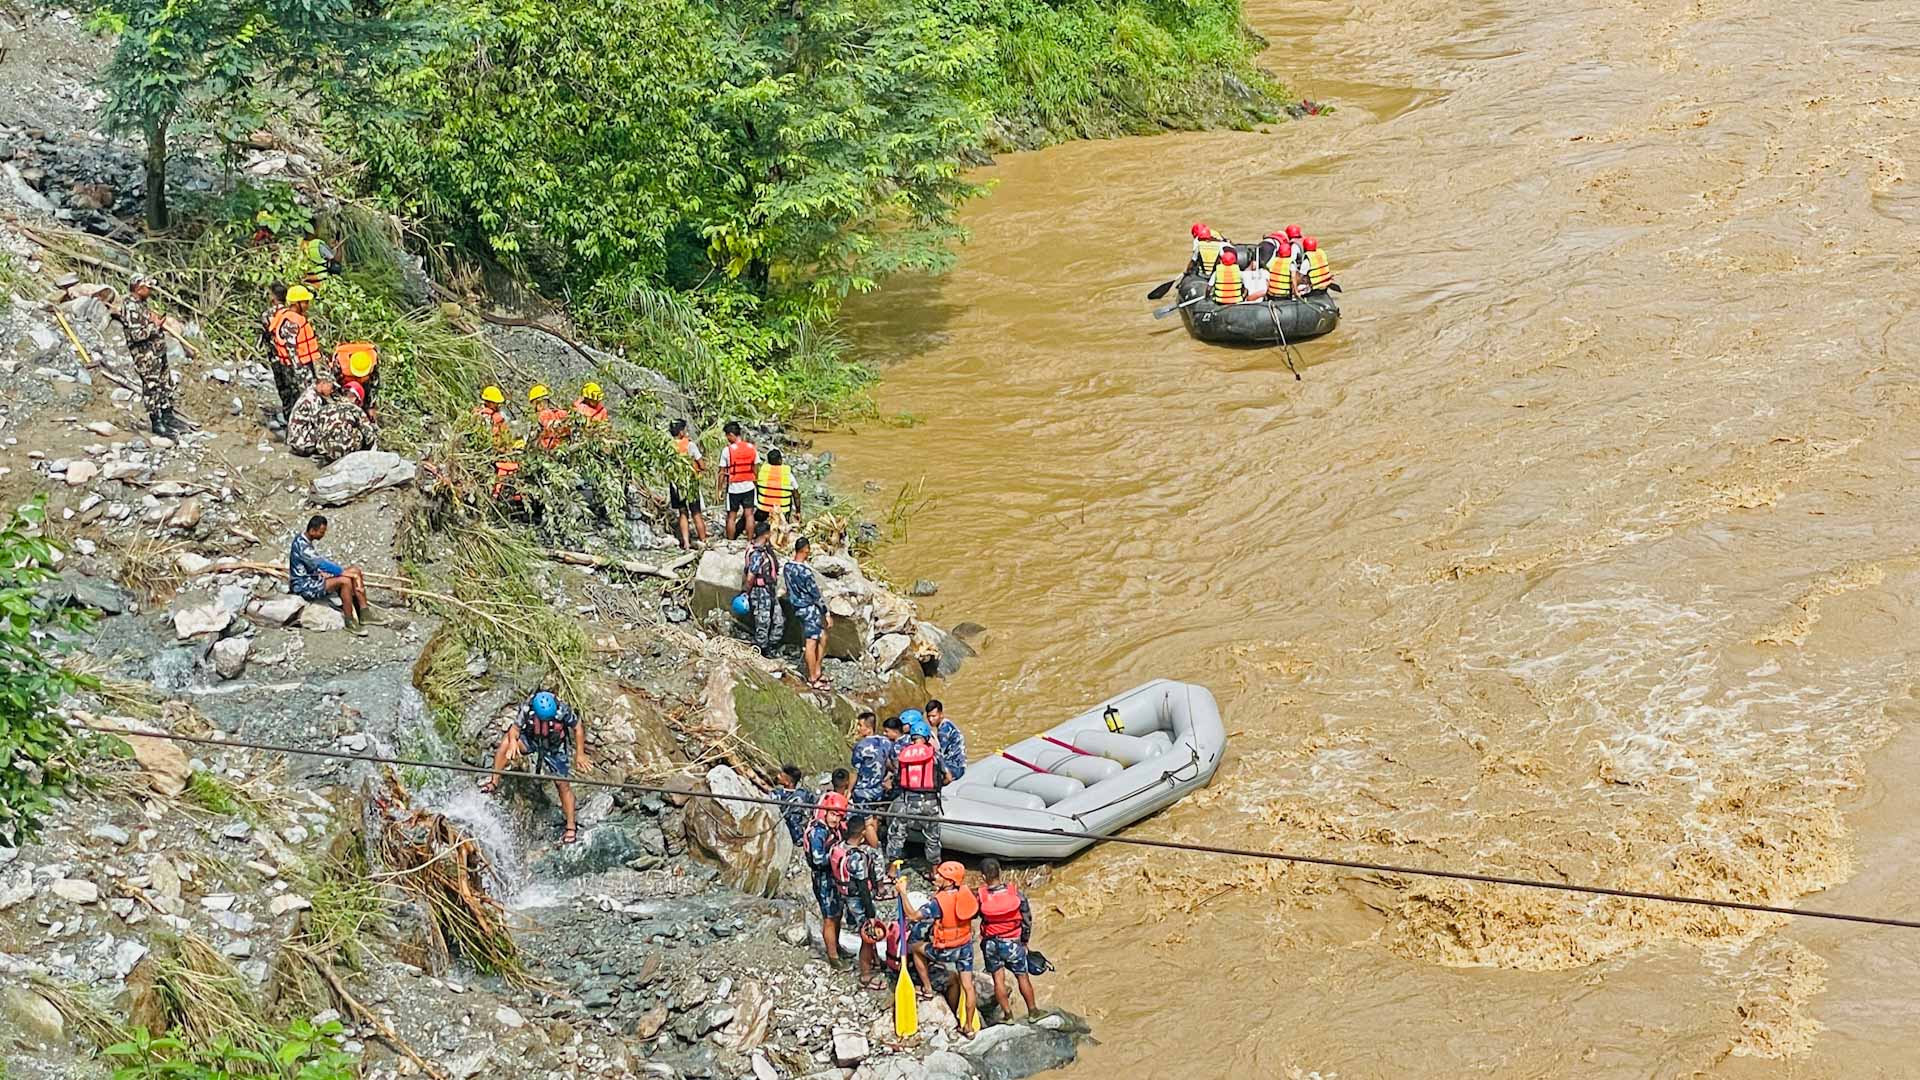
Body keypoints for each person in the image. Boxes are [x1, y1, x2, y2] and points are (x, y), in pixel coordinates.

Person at [479, 690, 589, 844]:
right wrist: (512, 743)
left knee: (563, 785)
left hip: (554, 746)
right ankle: (494, 781)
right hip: (531, 739)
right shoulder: (528, 707)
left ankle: (571, 826)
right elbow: (515, 729)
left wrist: (580, 754)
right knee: (504, 745)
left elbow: (577, 727)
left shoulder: (562, 710)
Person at [901, 861, 980, 1035]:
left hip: (947, 949)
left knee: (914, 946)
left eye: (940, 875)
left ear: (950, 881)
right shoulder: (965, 893)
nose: (935, 877)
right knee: (968, 986)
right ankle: (968, 1027)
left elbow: (913, 916)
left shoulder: (939, 902)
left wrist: (903, 893)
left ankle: (928, 988)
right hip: (965, 947)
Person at [112, 275, 175, 436]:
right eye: (148, 288)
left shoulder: (142, 304)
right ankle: (157, 422)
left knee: (165, 384)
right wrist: (154, 326)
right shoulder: (131, 307)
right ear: (139, 289)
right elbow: (137, 335)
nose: (151, 291)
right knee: (152, 387)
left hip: (156, 352)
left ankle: (167, 415)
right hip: (145, 356)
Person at [288, 515, 371, 635]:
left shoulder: (304, 541)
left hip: (313, 578)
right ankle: (349, 621)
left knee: (355, 570)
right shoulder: (302, 545)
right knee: (345, 581)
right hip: (303, 586)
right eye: (321, 532)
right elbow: (320, 563)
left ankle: (365, 612)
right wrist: (341, 572)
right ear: (312, 531)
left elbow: (312, 565)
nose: (323, 534)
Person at [834, 816, 890, 990]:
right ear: (863, 833)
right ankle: (865, 975)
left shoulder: (839, 847)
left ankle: (873, 961)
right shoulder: (857, 857)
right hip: (858, 899)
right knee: (867, 935)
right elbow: (863, 888)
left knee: (866, 934)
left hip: (844, 894)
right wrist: (871, 914)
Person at [975, 858, 1037, 1017]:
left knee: (998, 979)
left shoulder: (980, 896)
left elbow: (975, 914)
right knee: (1022, 976)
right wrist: (1024, 941)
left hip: (991, 943)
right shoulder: (1015, 893)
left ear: (983, 877)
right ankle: (1033, 1011)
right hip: (1013, 942)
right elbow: (1026, 918)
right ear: (1000, 872)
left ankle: (1008, 1015)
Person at [886, 712, 947, 866]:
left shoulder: (904, 753)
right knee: (933, 837)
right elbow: (948, 777)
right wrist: (938, 786)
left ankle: (893, 868)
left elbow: (898, 778)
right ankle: (934, 870)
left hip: (908, 802)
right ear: (927, 737)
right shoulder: (935, 755)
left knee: (897, 834)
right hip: (931, 802)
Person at [286, 378, 376, 464]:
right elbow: (369, 434)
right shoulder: (355, 409)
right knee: (359, 432)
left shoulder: (328, 407)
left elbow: (319, 423)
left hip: (324, 451)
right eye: (332, 387)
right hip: (304, 444)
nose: (332, 390)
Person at [805, 792, 849, 968]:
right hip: (823, 878)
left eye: (839, 816)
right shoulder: (818, 831)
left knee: (838, 913)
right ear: (825, 812)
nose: (835, 819)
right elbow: (817, 859)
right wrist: (837, 857)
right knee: (829, 917)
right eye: (833, 814)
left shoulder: (833, 829)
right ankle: (833, 957)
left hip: (833, 876)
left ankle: (836, 946)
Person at [783, 536, 831, 691]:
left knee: (823, 636)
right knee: (811, 643)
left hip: (797, 609)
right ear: (805, 550)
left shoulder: (787, 567)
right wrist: (826, 612)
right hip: (809, 609)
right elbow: (815, 594)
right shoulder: (805, 572)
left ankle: (817, 669)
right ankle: (812, 678)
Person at [741, 521, 783, 659]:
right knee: (763, 621)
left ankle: (771, 645)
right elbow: (751, 576)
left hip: (769, 590)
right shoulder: (757, 553)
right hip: (760, 591)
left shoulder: (765, 549)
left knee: (778, 619)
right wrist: (745, 593)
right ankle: (762, 650)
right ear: (766, 534)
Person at [668, 419, 709, 550]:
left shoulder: (668, 446)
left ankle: (685, 543)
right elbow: (702, 465)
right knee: (696, 513)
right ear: (681, 432)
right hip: (690, 483)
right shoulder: (690, 445)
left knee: (683, 513)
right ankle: (703, 540)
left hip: (675, 483)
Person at [849, 712, 892, 831]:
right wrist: (887, 778)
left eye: (860, 725)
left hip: (863, 790)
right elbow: (891, 764)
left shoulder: (861, 746)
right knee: (874, 817)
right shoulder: (886, 742)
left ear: (868, 729)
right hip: (879, 790)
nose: (858, 728)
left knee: (866, 823)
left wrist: (848, 791)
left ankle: (873, 846)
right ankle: (874, 842)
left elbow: (855, 771)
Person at [718, 422, 759, 540]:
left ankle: (730, 541)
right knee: (749, 514)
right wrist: (755, 482)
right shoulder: (751, 448)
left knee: (731, 516)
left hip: (734, 488)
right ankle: (750, 540)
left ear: (731, 435)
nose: (727, 438)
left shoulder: (727, 450)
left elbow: (721, 472)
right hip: (749, 486)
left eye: (727, 435)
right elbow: (756, 468)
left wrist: (720, 489)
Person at [259, 282, 293, 422]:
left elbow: (266, 335)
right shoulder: (292, 314)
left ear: (273, 297)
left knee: (284, 390)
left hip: (277, 358)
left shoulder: (267, 315)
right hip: (293, 358)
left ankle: (288, 419)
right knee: (294, 390)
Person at [754, 448, 798, 546]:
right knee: (790, 494)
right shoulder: (787, 474)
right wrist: (798, 511)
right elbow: (796, 494)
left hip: (764, 508)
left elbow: (757, 488)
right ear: (780, 460)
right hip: (782, 509)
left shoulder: (762, 472)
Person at [927, 700, 966, 783]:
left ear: (941, 714)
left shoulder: (943, 731)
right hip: (959, 764)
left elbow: (940, 755)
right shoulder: (947, 723)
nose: (930, 719)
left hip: (955, 768)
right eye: (928, 716)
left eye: (934, 716)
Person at [773, 764, 812, 845]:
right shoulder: (777, 793)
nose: (777, 776)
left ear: (788, 782)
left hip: (795, 836)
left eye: (781, 775)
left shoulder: (802, 795)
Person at [528, 384, 571, 451]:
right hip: (566, 446)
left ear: (538, 403)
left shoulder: (543, 415)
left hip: (550, 450)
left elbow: (549, 424)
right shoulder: (562, 412)